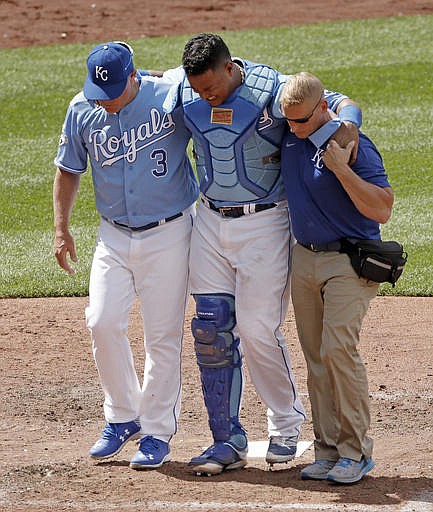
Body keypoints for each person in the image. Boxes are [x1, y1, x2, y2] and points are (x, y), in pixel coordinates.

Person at [163, 33, 363, 475]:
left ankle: (286, 426)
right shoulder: (183, 84)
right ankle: (226, 439)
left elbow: (337, 100)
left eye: (211, 87)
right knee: (211, 329)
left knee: (257, 329)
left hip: (266, 221)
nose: (205, 95)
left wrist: (350, 123)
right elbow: (144, 81)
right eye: (198, 90)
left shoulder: (273, 88)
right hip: (210, 220)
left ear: (230, 67)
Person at [53, 41, 199, 470]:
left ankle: (156, 432)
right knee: (101, 321)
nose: (106, 101)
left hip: (170, 233)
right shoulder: (83, 108)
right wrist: (61, 228)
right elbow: (67, 169)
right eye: (100, 92)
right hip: (112, 237)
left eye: (113, 91)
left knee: (161, 337)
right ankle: (122, 417)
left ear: (134, 76)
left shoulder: (169, 92)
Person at [280, 72, 394, 484]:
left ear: (324, 108)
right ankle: (327, 450)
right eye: (288, 121)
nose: (293, 129)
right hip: (304, 259)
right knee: (315, 358)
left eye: (302, 122)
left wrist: (342, 170)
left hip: (348, 261)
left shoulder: (351, 144)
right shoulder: (290, 132)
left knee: (337, 350)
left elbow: (382, 209)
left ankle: (356, 452)